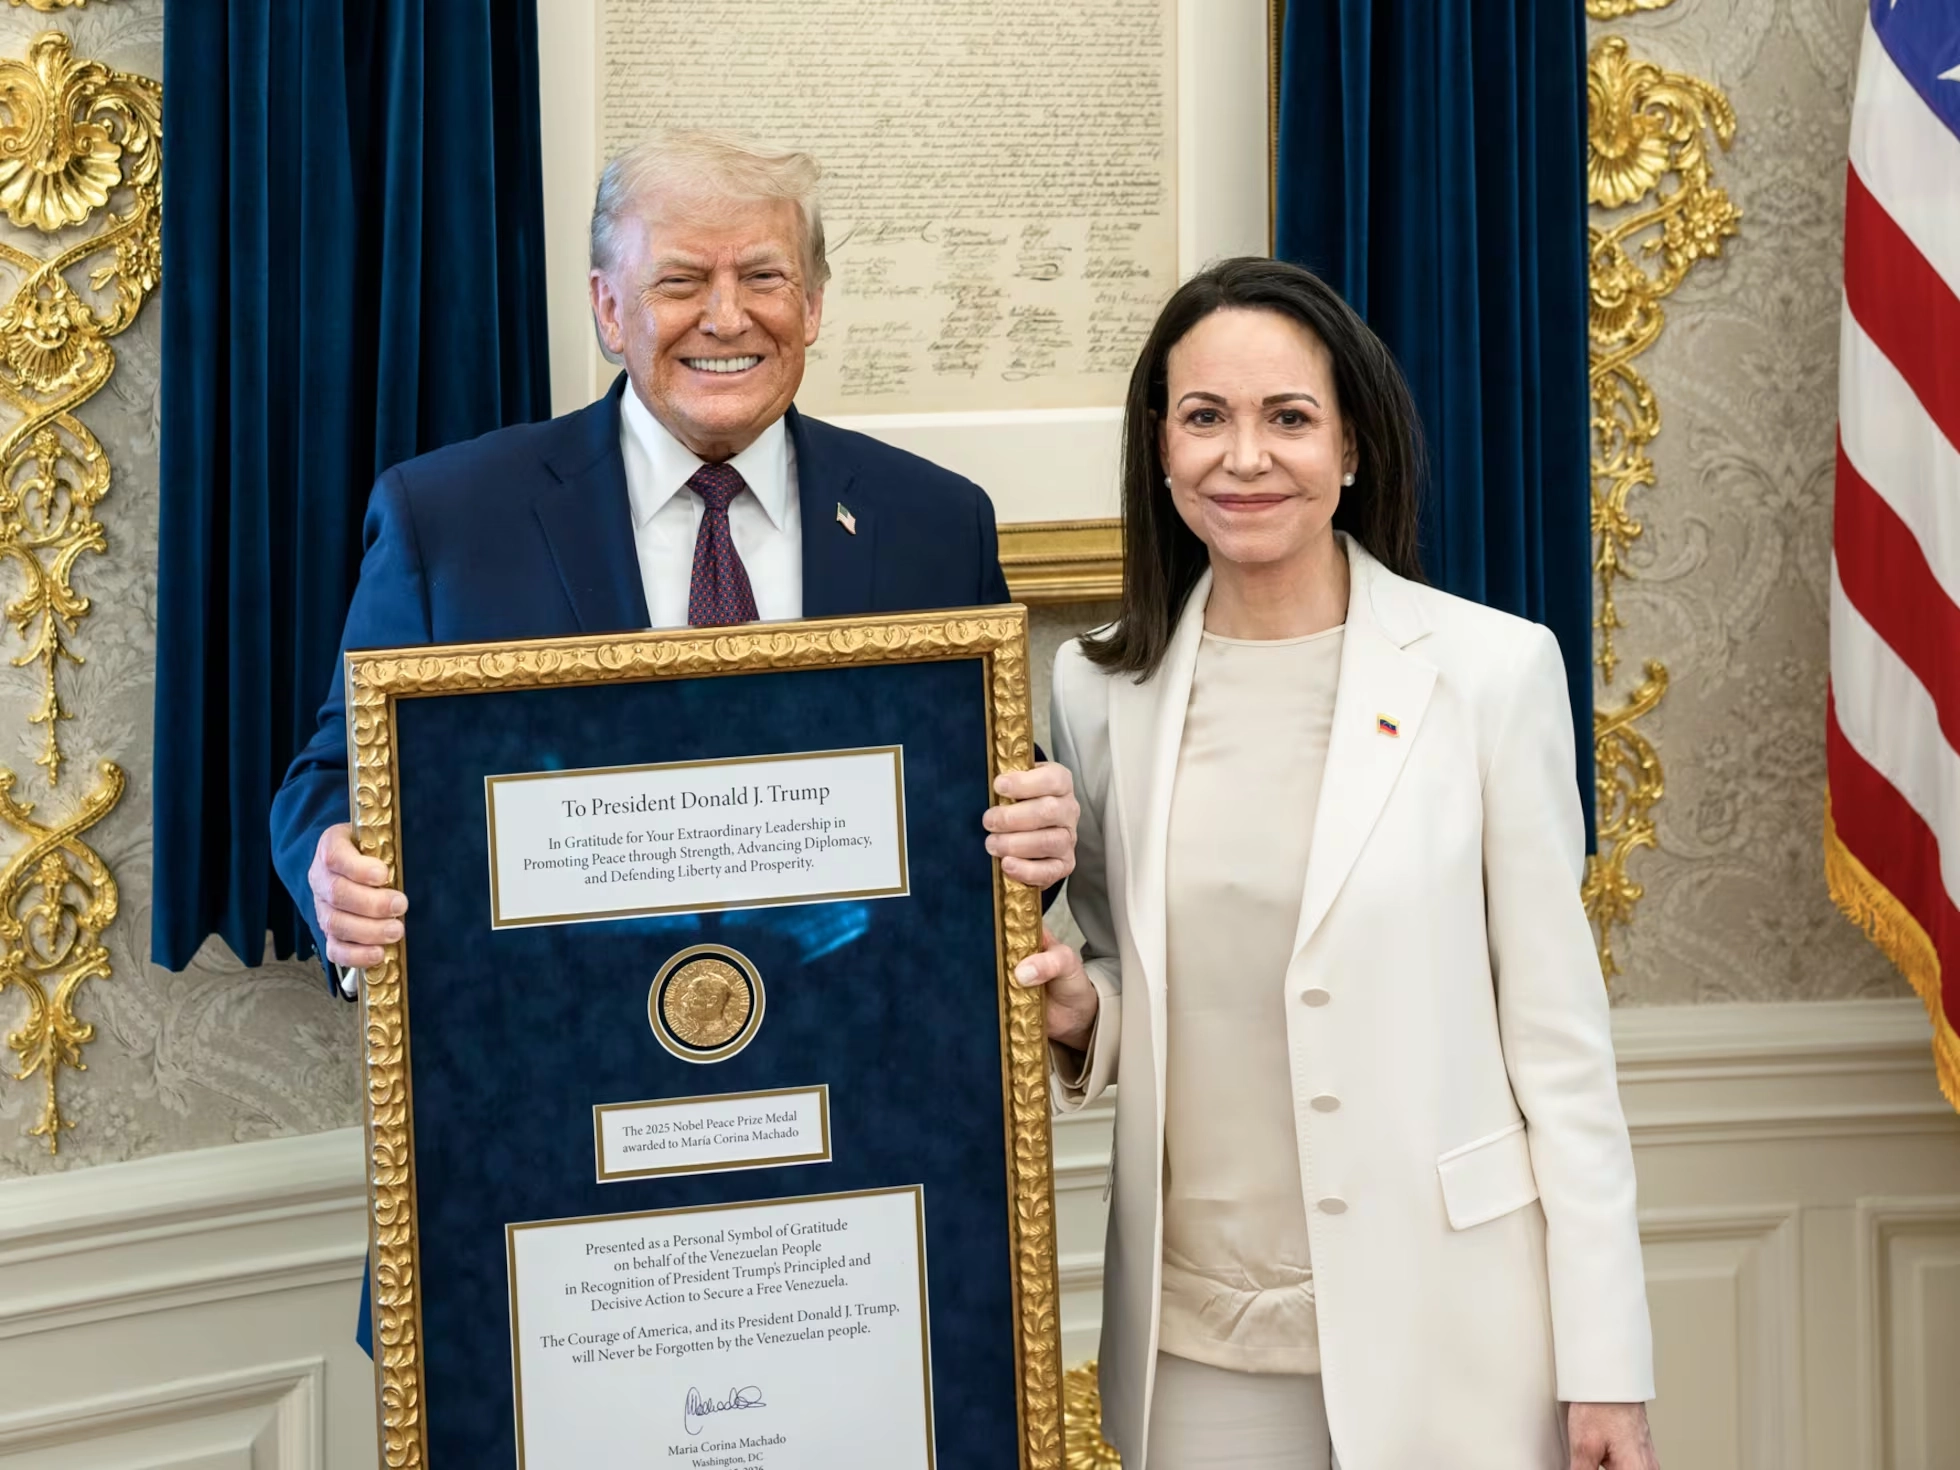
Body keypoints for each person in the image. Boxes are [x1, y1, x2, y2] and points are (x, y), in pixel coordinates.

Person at [1015, 258, 1658, 1470]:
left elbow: (1561, 1049)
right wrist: (1077, 1008)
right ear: (1159, 449)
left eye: (1287, 419)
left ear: (1351, 448)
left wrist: (1607, 1368)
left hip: (1455, 1325)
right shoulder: (1096, 693)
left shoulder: (1489, 674)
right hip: (1196, 1341)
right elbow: (1116, 963)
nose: (1242, 457)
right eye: (1204, 418)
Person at [270, 131, 1078, 990]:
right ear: (610, 310)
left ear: (811, 305)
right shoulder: (449, 520)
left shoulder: (934, 520)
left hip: (855, 1038)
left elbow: (987, 791)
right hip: (551, 1044)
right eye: (681, 281)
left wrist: (1037, 835)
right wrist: (334, 871)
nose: (727, 318)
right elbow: (336, 777)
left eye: (763, 278)